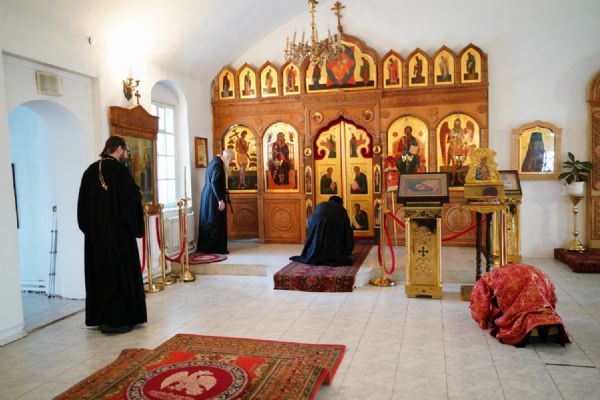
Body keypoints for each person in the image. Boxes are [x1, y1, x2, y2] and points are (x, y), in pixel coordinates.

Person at [77, 135, 146, 334]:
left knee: (100, 275)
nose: (127, 155)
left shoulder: (90, 171)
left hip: (96, 238)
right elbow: (132, 199)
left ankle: (100, 318)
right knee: (119, 275)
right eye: (126, 151)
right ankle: (119, 319)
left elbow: (82, 207)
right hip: (118, 236)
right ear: (118, 150)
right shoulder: (119, 170)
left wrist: (92, 230)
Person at [290, 195, 354, 266]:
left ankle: (314, 252)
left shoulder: (321, 204)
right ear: (340, 203)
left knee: (317, 235)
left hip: (314, 222)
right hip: (330, 223)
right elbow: (347, 230)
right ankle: (331, 254)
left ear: (329, 201)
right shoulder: (341, 209)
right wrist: (348, 250)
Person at [197, 149, 234, 254]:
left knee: (210, 221)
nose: (230, 163)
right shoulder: (218, 165)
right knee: (216, 221)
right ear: (228, 158)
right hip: (213, 197)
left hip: (209, 195)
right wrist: (220, 200)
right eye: (231, 160)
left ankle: (208, 248)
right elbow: (214, 182)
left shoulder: (214, 161)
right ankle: (216, 249)